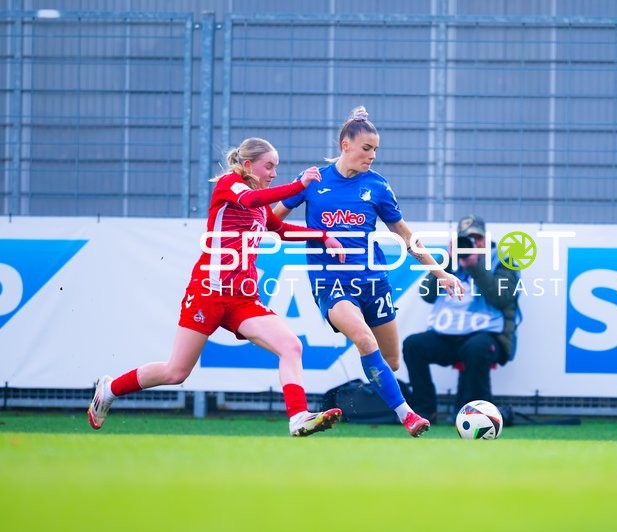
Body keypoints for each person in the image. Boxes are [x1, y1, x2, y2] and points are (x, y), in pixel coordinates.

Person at [88, 137, 346, 437]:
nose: (274, 173)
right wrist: (299, 185)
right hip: (208, 291)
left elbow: (280, 229)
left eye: (277, 167)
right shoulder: (229, 184)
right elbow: (249, 200)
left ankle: (298, 417)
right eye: (269, 166)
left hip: (243, 298)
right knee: (176, 372)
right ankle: (109, 389)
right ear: (248, 165)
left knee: (291, 346)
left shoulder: (260, 205)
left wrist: (322, 235)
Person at [273, 106, 464, 437]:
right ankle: (408, 416)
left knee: (390, 362)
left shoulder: (377, 186)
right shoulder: (313, 181)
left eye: (375, 149)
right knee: (362, 337)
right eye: (366, 148)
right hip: (330, 282)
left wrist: (441, 273)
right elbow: (273, 223)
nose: (372, 155)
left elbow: (406, 236)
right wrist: (318, 236)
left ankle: (358, 402)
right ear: (345, 144)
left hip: (373, 282)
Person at [402, 214, 521, 423]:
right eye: (466, 239)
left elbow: (501, 298)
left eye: (477, 238)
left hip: (488, 335)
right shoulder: (448, 260)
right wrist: (446, 263)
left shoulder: (504, 261)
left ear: (485, 240)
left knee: (475, 348)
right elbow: (427, 295)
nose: (472, 244)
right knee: (413, 345)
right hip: (448, 335)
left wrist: (475, 266)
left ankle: (479, 413)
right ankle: (424, 410)